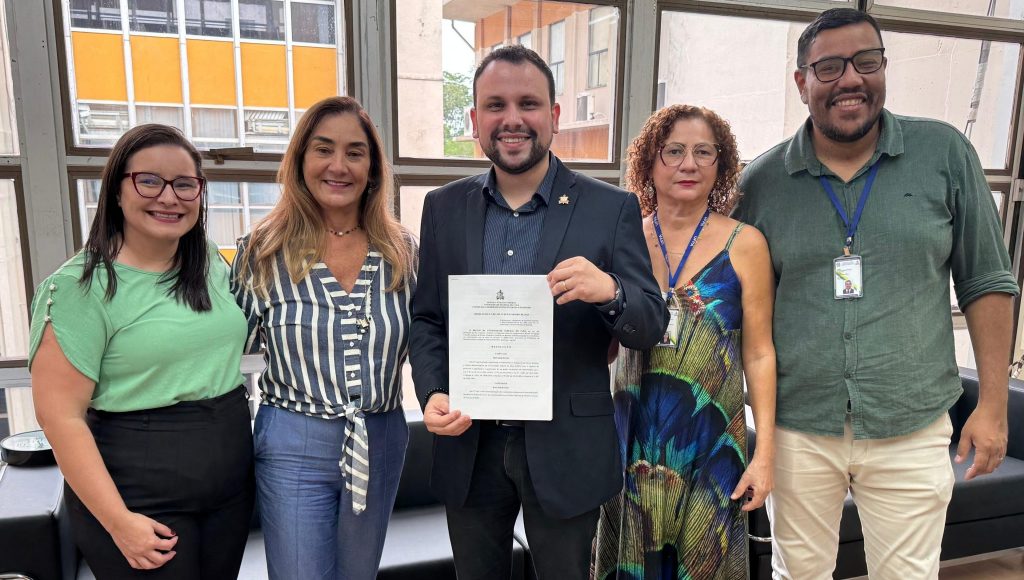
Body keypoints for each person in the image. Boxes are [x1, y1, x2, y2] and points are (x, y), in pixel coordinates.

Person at [734, 8, 1019, 579]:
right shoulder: (761, 184)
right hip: (798, 428)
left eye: (867, 62)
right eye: (830, 66)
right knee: (799, 574)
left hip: (910, 424)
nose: (851, 79)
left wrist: (991, 405)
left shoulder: (944, 155)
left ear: (883, 68)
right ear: (802, 81)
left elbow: (987, 281)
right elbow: (736, 309)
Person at [409, 45, 667, 580]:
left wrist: (610, 290)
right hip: (470, 444)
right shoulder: (442, 207)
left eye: (528, 104)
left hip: (566, 449)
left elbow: (649, 323)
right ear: (475, 120)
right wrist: (433, 391)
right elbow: (428, 319)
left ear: (553, 116)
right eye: (495, 105)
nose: (512, 119)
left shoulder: (610, 207)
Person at [29, 124, 253, 578]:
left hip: (229, 484)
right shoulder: (78, 287)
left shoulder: (208, 260)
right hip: (138, 495)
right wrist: (118, 522)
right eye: (149, 180)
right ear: (115, 190)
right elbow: (61, 418)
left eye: (185, 184)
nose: (169, 197)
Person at [231, 95, 414, 579]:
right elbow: (223, 350)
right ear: (300, 160)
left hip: (381, 437)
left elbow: (433, 342)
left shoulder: (402, 252)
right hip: (294, 439)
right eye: (323, 149)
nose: (339, 165)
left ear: (372, 167)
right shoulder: (262, 251)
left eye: (355, 152)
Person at [592, 104, 777, 579]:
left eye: (703, 152)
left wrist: (765, 454)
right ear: (649, 162)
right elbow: (601, 346)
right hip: (628, 439)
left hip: (711, 447)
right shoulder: (622, 237)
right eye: (673, 151)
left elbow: (758, 354)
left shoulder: (746, 243)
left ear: (722, 163)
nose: (688, 164)